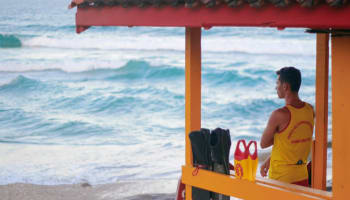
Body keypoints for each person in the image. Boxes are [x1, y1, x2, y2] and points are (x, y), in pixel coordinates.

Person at [260, 66, 314, 187]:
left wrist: (280, 136)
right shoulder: (310, 110)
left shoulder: (279, 114)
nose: (276, 87)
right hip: (302, 175)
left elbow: (263, 143)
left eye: (277, 83)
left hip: (281, 179)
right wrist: (270, 159)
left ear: (285, 86)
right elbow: (293, 141)